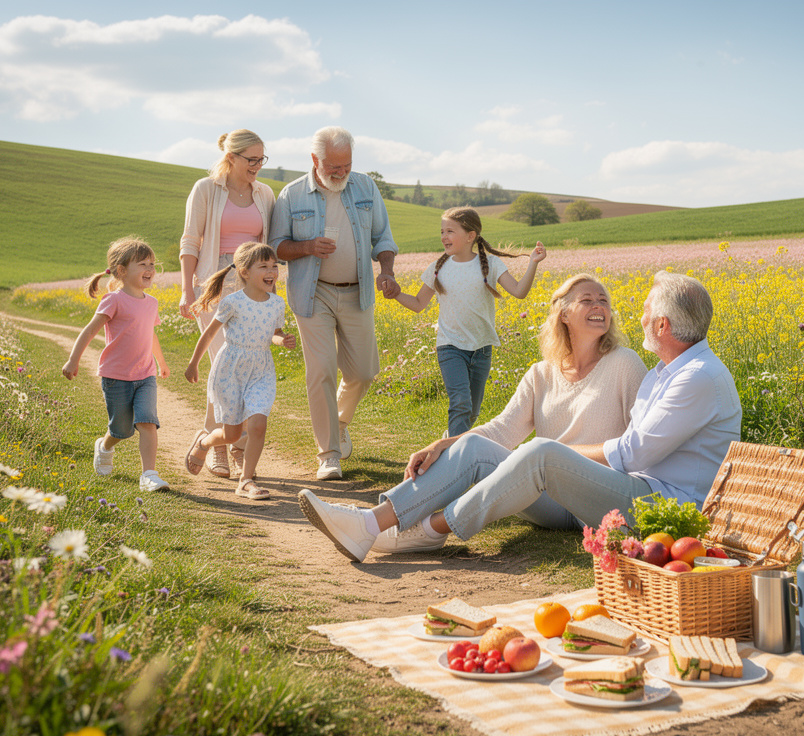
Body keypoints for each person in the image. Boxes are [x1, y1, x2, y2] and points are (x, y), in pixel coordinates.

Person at [301, 271, 742, 562]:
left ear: (663, 326)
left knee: (541, 454)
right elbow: (502, 432)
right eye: (587, 298)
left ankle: (426, 528)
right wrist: (447, 442)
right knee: (476, 446)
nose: (636, 314)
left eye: (646, 310)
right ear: (563, 314)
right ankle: (374, 522)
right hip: (597, 490)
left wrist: (553, 457)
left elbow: (633, 451)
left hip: (652, 507)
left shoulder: (686, 375)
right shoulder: (666, 372)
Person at [269, 126, 399, 481]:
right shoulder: (292, 195)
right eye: (333, 166)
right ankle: (328, 454)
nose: (341, 173)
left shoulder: (365, 186)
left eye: (347, 165)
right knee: (322, 370)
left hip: (357, 291)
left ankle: (339, 423)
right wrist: (308, 247)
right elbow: (277, 246)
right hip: (314, 293)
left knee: (364, 372)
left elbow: (383, 237)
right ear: (315, 160)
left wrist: (386, 270)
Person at [389, 206, 547, 436]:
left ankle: (450, 439)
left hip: (481, 349)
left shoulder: (491, 265)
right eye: (442, 231)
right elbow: (417, 303)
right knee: (461, 402)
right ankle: (453, 458)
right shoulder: (437, 268)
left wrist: (533, 262)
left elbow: (520, 292)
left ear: (470, 236)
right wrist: (395, 294)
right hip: (450, 347)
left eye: (450, 231)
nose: (444, 236)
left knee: (471, 411)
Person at [178, 129, 275, 480]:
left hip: (251, 287)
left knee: (243, 368)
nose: (258, 166)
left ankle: (224, 442)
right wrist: (188, 290)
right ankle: (223, 446)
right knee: (225, 366)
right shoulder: (206, 189)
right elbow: (190, 241)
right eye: (252, 159)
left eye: (262, 159)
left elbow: (268, 248)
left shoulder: (264, 194)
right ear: (231, 157)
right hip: (215, 284)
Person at [183, 243, 297, 499]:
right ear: (244, 272)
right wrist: (194, 363)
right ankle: (203, 442)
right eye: (264, 266)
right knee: (232, 433)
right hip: (231, 371)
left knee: (258, 425)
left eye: (274, 266)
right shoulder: (232, 302)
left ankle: (245, 481)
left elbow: (274, 335)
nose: (272, 271)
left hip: (261, 370)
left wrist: (283, 341)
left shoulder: (277, 304)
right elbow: (209, 334)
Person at [62, 237, 171, 492]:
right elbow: (89, 331)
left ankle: (149, 475)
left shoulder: (151, 302)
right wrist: (73, 359)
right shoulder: (114, 300)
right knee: (121, 430)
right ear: (121, 271)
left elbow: (150, 334)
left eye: (152, 263)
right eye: (143, 263)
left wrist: (161, 362)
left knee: (147, 422)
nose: (150, 269)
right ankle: (104, 446)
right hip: (116, 377)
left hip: (145, 375)